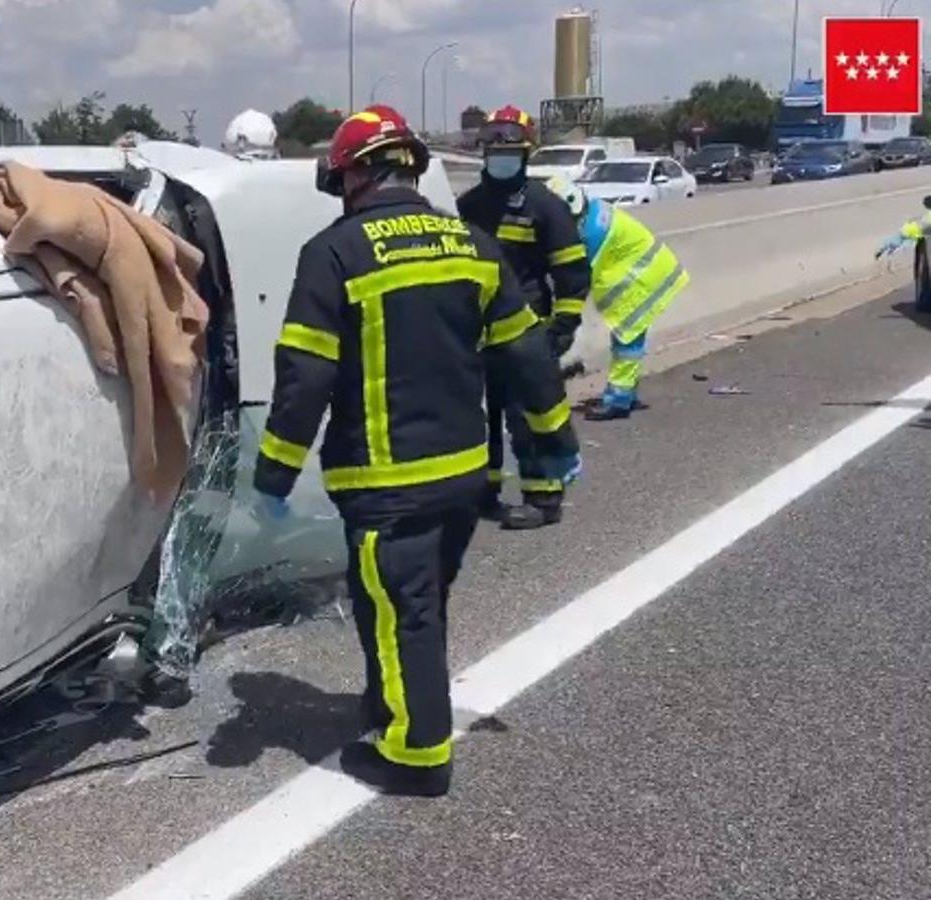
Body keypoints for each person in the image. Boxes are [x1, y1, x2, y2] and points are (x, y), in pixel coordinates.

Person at [250, 106, 581, 797]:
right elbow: (527, 358)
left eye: (340, 179)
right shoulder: (470, 243)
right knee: (409, 603)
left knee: (406, 611)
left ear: (355, 175)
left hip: (385, 482)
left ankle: (417, 755)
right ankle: (389, 702)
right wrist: (555, 443)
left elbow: (305, 374)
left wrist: (274, 474)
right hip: (463, 477)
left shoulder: (334, 252)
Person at [457, 105, 592, 530]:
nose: (499, 154)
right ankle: (486, 492)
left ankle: (543, 498)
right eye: (492, 146)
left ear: (526, 152)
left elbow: (571, 274)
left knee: (529, 416)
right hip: (476, 334)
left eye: (509, 147)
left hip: (527, 332)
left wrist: (562, 328)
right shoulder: (468, 206)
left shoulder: (545, 206)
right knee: (480, 417)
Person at [545, 175, 690, 419]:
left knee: (627, 341)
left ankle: (619, 401)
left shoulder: (590, 235)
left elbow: (574, 279)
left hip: (637, 283)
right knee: (629, 340)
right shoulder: (592, 210)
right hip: (651, 272)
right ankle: (627, 394)